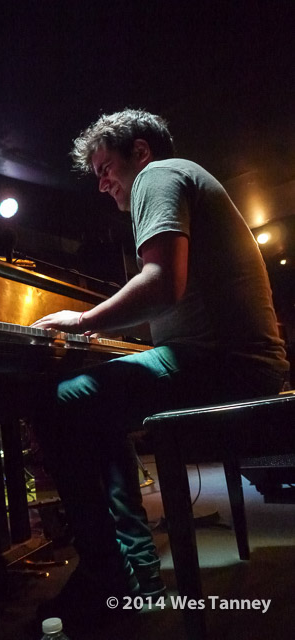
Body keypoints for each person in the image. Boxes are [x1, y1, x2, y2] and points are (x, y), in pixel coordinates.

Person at [30, 109, 289, 628]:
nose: (102, 183)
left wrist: (82, 320)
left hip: (223, 365)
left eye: (106, 168)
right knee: (97, 409)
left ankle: (106, 575)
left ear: (140, 152)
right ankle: (136, 569)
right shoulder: (179, 181)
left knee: (58, 402)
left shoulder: (158, 175)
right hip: (231, 361)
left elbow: (162, 283)